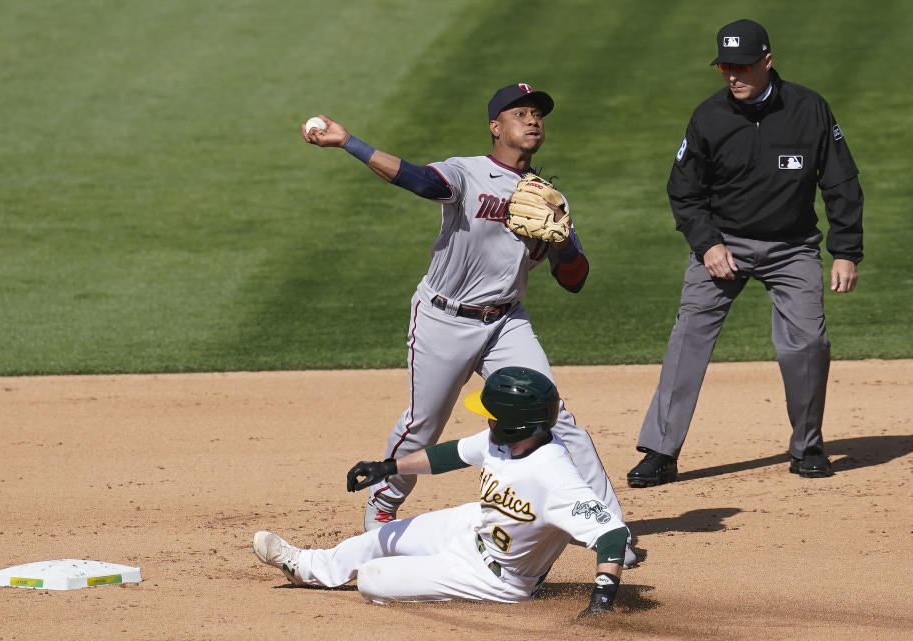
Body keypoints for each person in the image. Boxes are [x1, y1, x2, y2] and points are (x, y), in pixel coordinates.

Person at [301, 83, 631, 564]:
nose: (533, 120)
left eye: (538, 114)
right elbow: (419, 181)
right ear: (497, 127)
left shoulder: (549, 198)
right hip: (443, 316)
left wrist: (562, 242)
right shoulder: (467, 172)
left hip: (506, 322)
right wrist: (350, 142)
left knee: (556, 416)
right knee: (424, 425)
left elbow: (575, 280)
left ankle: (608, 525)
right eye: (521, 113)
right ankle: (384, 502)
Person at [627, 19, 864, 488]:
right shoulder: (708, 116)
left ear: (767, 62)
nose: (732, 74)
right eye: (725, 66)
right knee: (688, 337)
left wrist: (846, 250)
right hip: (724, 244)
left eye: (742, 66)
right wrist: (708, 244)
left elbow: (840, 181)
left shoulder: (809, 109)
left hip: (792, 247)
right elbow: (684, 190)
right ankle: (660, 451)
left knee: (809, 343)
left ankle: (808, 446)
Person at [253, 367, 629, 615]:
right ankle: (304, 566)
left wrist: (601, 600)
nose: (486, 418)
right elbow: (452, 454)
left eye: (492, 414)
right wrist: (388, 467)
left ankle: (428, 579)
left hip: (499, 578)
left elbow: (610, 533)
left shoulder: (555, 475)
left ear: (515, 424)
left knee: (371, 579)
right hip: (473, 526)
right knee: (383, 537)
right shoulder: (508, 440)